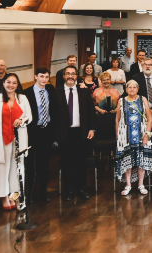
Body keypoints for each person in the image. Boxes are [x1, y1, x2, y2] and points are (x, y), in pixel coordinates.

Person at [0, 73, 32, 210]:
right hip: (1, 138)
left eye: (14, 83)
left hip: (17, 138)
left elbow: (29, 117)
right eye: (8, 82)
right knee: (1, 168)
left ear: (17, 85)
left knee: (16, 168)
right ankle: (4, 197)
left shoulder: (22, 98)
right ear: (3, 83)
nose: (11, 85)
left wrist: (21, 120)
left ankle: (13, 196)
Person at [56, 65, 96, 201]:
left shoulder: (84, 92)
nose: (70, 76)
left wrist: (92, 129)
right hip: (64, 134)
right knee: (66, 164)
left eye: (73, 74)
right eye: (68, 74)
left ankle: (82, 189)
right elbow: (53, 115)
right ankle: (69, 191)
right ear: (63, 76)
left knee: (81, 163)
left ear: (77, 76)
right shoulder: (57, 92)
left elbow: (91, 112)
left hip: (81, 133)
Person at [23, 67, 58, 203]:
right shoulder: (26, 93)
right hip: (33, 132)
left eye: (46, 77)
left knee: (44, 164)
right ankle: (31, 193)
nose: (44, 79)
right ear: (35, 77)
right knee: (31, 164)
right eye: (41, 76)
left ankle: (43, 192)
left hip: (46, 131)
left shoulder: (51, 90)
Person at [115, 80, 152, 196]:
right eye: (129, 87)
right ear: (126, 90)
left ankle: (141, 184)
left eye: (134, 87)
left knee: (141, 158)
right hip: (125, 135)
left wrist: (147, 134)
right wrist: (118, 135)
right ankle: (128, 185)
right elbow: (117, 119)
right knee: (127, 159)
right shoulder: (121, 101)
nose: (132, 89)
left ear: (138, 88)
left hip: (142, 133)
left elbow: (150, 118)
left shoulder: (143, 99)